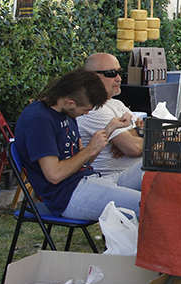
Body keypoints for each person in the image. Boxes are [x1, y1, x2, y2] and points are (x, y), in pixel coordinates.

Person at [14, 69, 142, 220]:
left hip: (92, 180)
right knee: (149, 204)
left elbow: (82, 163)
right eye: (86, 110)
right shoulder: (39, 121)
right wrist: (89, 150)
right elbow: (54, 175)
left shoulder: (66, 112)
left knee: (155, 170)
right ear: (70, 103)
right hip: (70, 196)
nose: (86, 114)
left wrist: (109, 129)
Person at [77, 53, 144, 176]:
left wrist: (138, 132)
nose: (119, 78)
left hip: (138, 175)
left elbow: (144, 127)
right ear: (91, 77)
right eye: (111, 73)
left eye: (119, 72)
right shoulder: (93, 109)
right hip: (116, 180)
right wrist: (148, 137)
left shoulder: (115, 103)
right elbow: (133, 148)